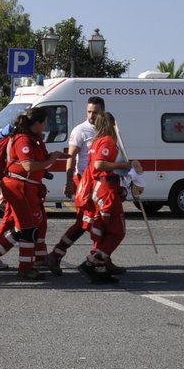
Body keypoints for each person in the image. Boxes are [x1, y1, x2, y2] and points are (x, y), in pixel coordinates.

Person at [0, 107, 53, 280]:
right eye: (45, 121)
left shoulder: (34, 139)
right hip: (20, 188)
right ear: (37, 123)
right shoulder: (23, 140)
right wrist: (50, 161)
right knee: (28, 227)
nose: (47, 125)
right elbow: (28, 165)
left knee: (22, 225)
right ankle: (25, 267)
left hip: (27, 187)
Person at [45, 97, 106, 274]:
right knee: (90, 222)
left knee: (91, 222)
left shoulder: (107, 130)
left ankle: (99, 258)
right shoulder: (81, 130)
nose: (91, 115)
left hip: (100, 183)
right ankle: (100, 260)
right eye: (89, 111)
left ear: (102, 112)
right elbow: (71, 158)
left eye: (95, 112)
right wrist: (69, 181)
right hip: (85, 182)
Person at [75, 110, 130, 283]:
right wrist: (121, 164)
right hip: (106, 188)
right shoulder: (106, 141)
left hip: (104, 187)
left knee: (104, 231)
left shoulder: (97, 141)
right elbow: (100, 164)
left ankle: (100, 268)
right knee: (117, 231)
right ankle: (92, 262)